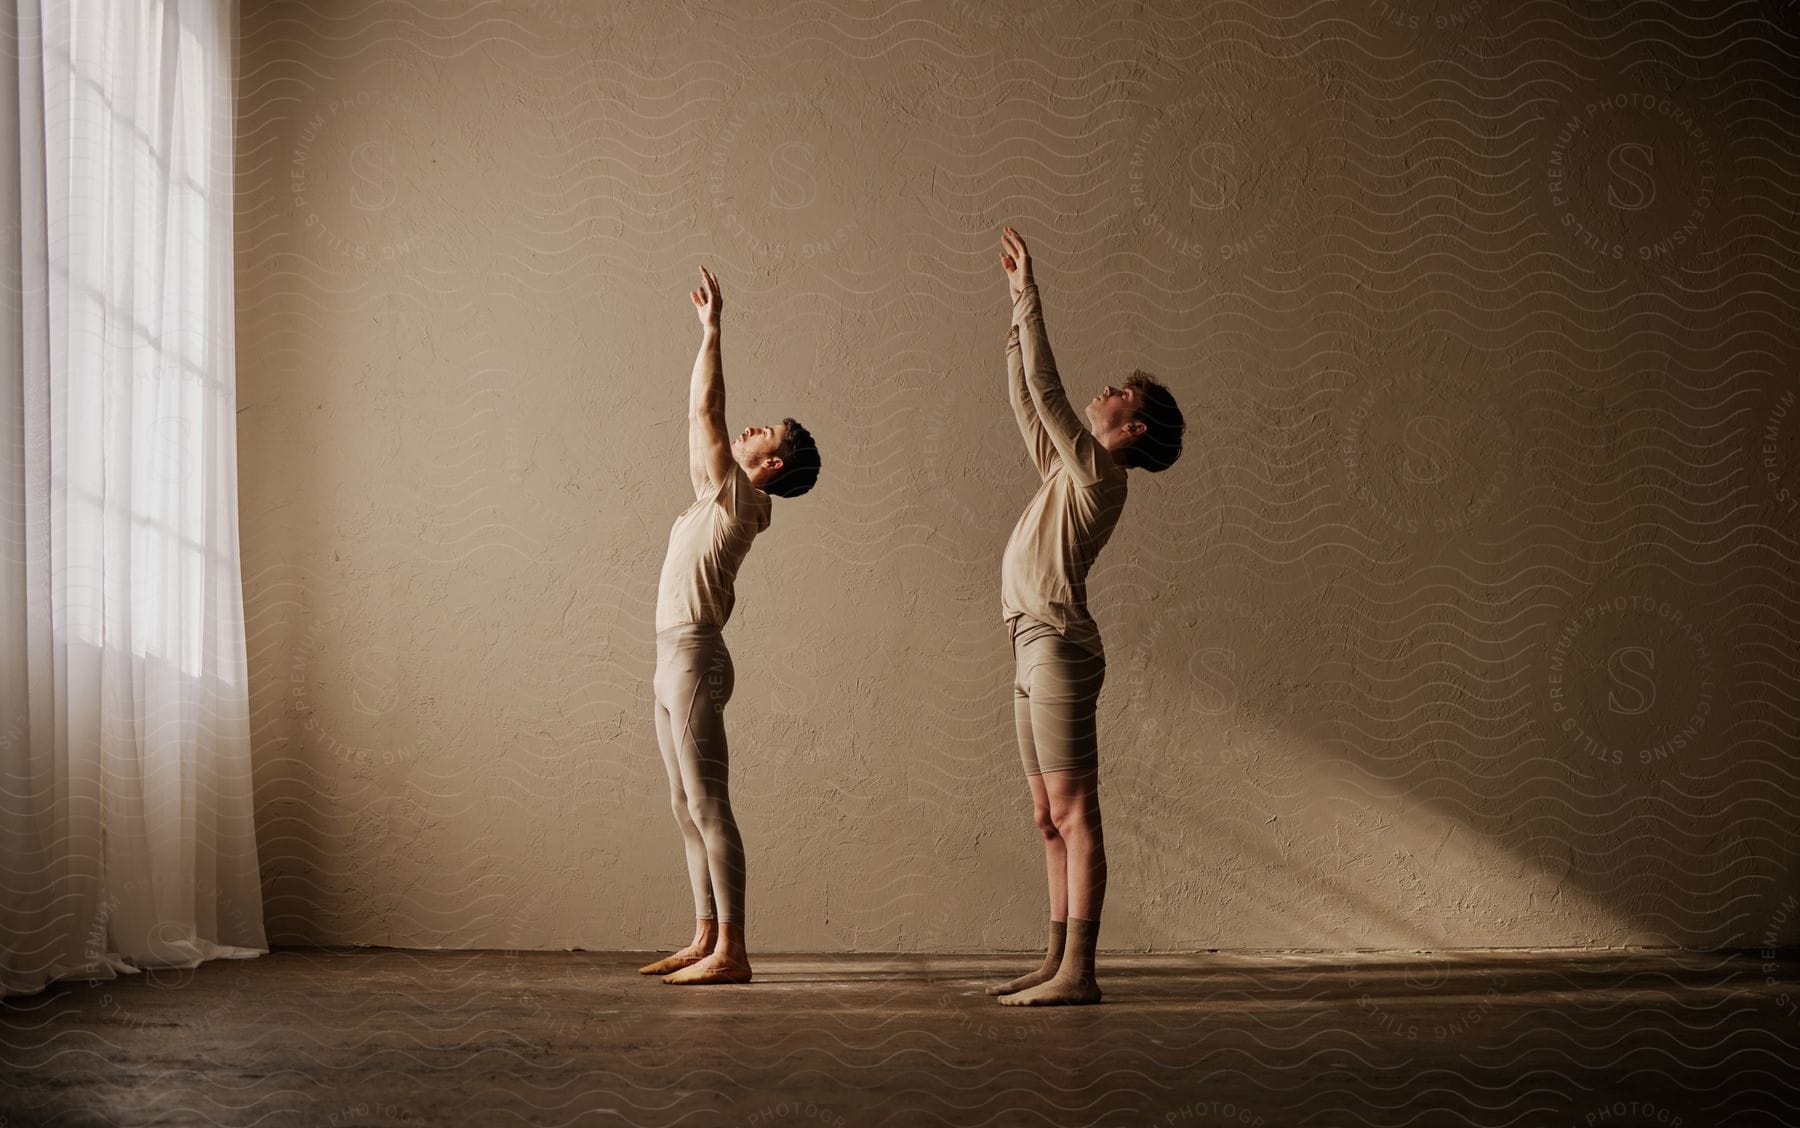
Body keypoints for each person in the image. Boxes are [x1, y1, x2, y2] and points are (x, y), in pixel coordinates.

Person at [986, 227, 1185, 1006]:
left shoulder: (1101, 475)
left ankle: (1081, 974)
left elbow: (1050, 392)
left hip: (1060, 646)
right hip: (1028, 642)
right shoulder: (1070, 470)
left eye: (1118, 395)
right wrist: (1011, 312)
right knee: (1044, 813)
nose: (1104, 393)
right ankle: (1054, 960)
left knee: (1073, 809)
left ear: (1130, 429)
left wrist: (1032, 294)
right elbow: (1024, 397)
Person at [637, 265, 821, 986]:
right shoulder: (715, 499)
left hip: (693, 655)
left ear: (769, 463)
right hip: (669, 657)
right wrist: (703, 342)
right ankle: (704, 935)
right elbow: (697, 421)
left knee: (709, 803)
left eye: (763, 432)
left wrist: (714, 332)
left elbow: (708, 417)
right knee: (683, 805)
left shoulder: (744, 503)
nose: (748, 429)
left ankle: (733, 952)